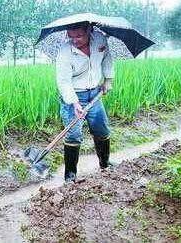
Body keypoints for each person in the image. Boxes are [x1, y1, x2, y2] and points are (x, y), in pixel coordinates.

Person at [56, 22, 114, 182]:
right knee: (73, 134)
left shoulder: (100, 40)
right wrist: (74, 103)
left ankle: (105, 163)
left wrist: (108, 79)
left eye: (79, 36)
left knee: (101, 129)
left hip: (94, 93)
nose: (75, 40)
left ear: (90, 30)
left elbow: (107, 59)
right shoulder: (65, 51)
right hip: (74, 95)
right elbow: (63, 81)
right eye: (71, 36)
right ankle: (70, 175)